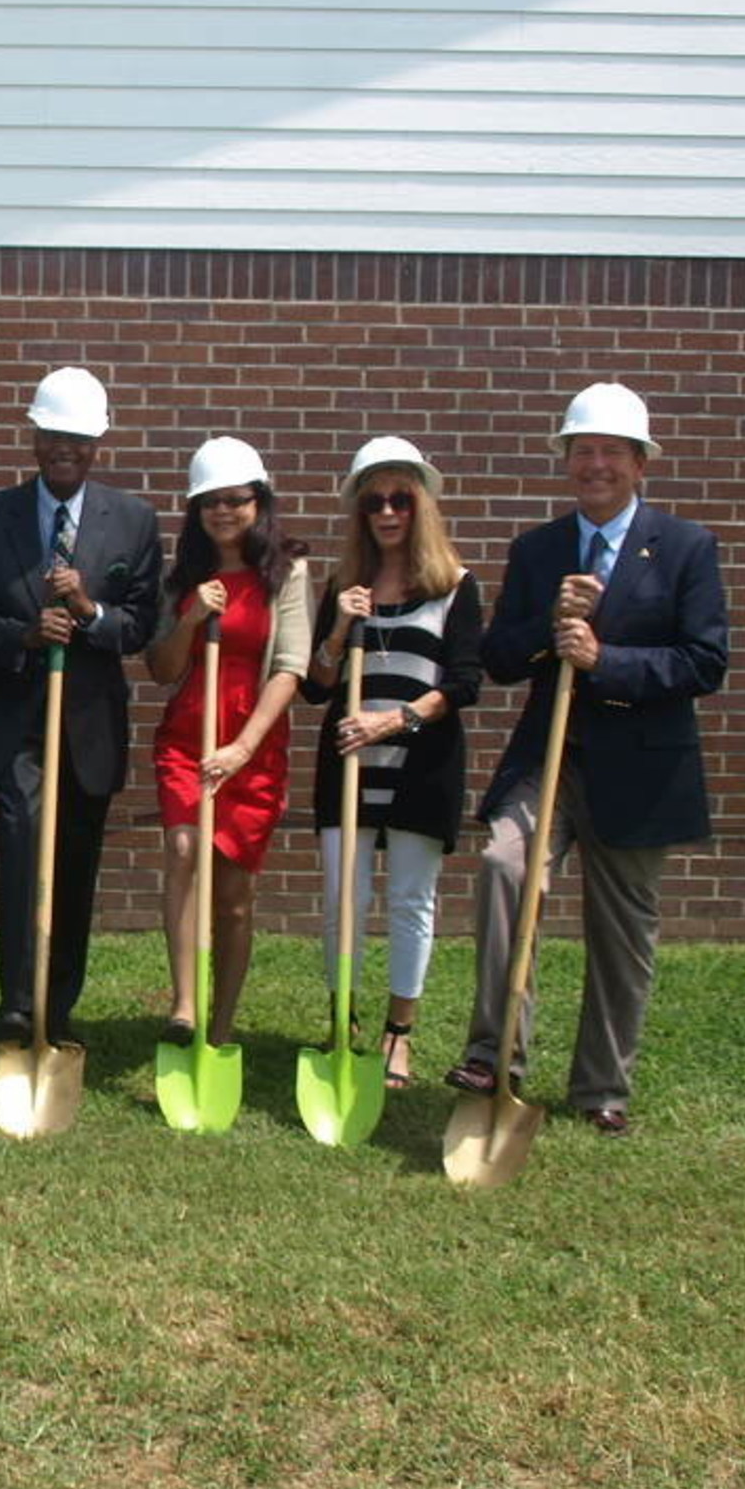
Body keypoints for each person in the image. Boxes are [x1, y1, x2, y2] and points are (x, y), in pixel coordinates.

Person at [453, 382, 729, 1136]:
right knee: (505, 866)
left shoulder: (684, 548)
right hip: (551, 756)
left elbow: (705, 661)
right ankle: (493, 1054)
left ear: (641, 464)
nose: (595, 465)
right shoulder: (539, 549)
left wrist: (606, 658)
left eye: (611, 452)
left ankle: (601, 1085)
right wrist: (551, 624)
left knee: (621, 928)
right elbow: (501, 659)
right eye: (583, 452)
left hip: (640, 766)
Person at [0, 366, 162, 1046]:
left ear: (97, 441)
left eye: (77, 436)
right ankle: (16, 1002)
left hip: (88, 724)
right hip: (14, 715)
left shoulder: (132, 520)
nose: (63, 447)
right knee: (20, 845)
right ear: (34, 435)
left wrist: (87, 609)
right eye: (52, 434)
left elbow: (138, 624)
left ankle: (58, 1001)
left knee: (75, 860)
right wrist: (23, 634)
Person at [300, 437, 483, 1088]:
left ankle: (397, 1034)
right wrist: (339, 630)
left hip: (419, 764)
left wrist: (395, 718)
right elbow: (318, 686)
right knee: (340, 900)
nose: (387, 512)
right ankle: (341, 1023)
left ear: (421, 506)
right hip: (348, 764)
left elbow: (464, 682)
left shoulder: (454, 586)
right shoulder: (343, 588)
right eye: (374, 500)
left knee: (410, 900)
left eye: (400, 499)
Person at [143, 438, 308, 1045]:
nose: (223, 512)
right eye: (210, 502)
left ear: (259, 503)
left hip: (252, 745)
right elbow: (161, 669)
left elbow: (291, 667)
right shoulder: (184, 578)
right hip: (188, 738)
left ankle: (223, 1023)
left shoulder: (287, 572)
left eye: (236, 500)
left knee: (234, 894)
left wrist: (242, 748)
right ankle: (184, 1008)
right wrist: (189, 616)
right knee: (184, 850)